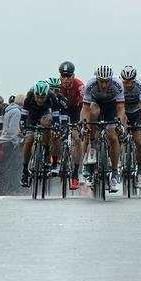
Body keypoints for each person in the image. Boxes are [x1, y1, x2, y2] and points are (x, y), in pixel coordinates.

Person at [81, 65, 127, 192]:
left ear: (111, 80)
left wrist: (120, 123)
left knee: (113, 137)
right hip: (95, 104)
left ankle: (114, 173)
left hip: (111, 107)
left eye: (107, 81)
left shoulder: (117, 84)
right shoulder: (90, 84)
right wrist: (85, 124)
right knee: (93, 114)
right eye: (102, 81)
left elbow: (121, 108)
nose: (104, 84)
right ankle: (92, 148)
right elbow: (85, 108)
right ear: (97, 80)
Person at [20, 80, 62, 188]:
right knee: (29, 141)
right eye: (37, 97)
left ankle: (47, 152)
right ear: (34, 94)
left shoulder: (52, 97)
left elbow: (56, 116)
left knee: (46, 124)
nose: (39, 100)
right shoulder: (29, 96)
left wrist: (57, 125)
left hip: (45, 114)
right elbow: (23, 116)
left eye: (42, 97)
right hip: (32, 116)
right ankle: (25, 171)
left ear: (47, 95)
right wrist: (22, 127)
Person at [57, 61, 85, 190]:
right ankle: (54, 161)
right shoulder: (57, 86)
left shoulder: (80, 86)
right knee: (55, 132)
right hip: (61, 110)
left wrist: (80, 123)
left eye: (68, 76)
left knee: (77, 139)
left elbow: (84, 106)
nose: (66, 79)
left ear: (73, 76)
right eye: (63, 76)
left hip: (75, 110)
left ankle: (74, 174)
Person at [0, 94, 24, 195]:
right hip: (10, 142)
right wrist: (17, 141)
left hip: (4, 140)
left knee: (5, 166)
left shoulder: (9, 110)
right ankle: (10, 189)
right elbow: (13, 129)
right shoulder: (17, 112)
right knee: (12, 166)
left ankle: (3, 189)